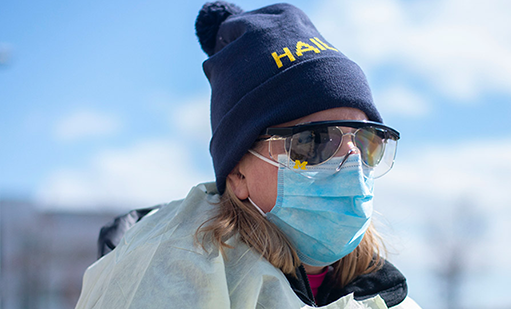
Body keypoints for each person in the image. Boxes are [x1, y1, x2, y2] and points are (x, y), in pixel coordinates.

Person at [74, 2, 421, 308]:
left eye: (367, 142)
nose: (352, 163)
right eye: (314, 142)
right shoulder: (164, 276)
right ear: (238, 172)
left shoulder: (388, 299)